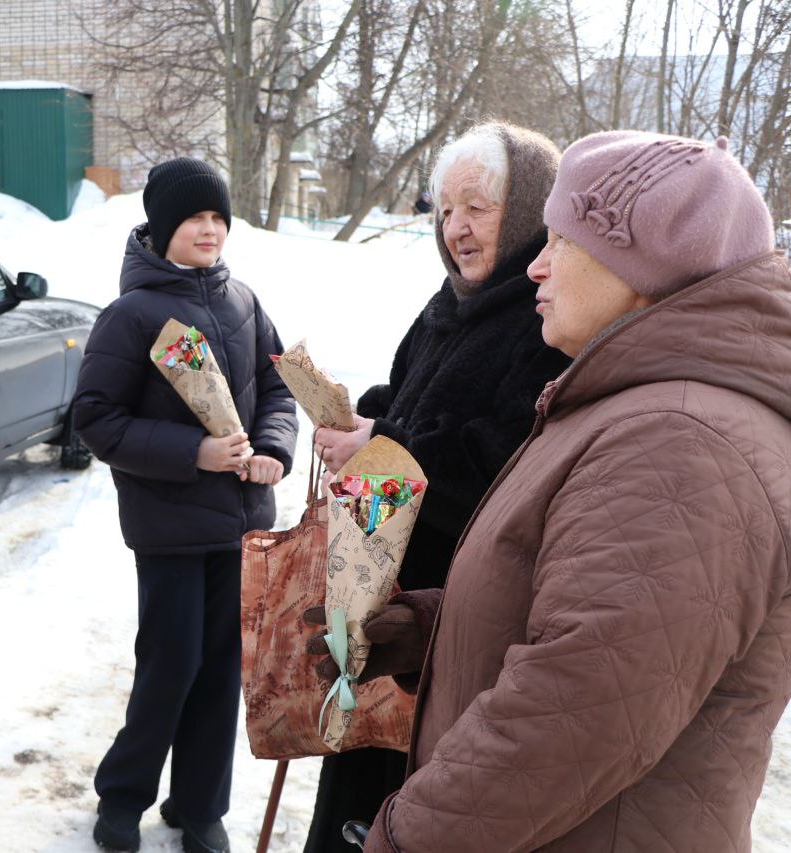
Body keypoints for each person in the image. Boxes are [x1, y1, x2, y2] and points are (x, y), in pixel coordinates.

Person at [355, 132, 791, 852]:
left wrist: (405, 838)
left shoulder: (680, 442)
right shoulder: (634, 402)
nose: (536, 264)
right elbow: (592, 630)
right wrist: (428, 630)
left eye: (561, 241)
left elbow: (573, 712)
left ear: (643, 264)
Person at [303, 124, 572, 851]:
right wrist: (362, 420)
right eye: (446, 210)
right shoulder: (446, 304)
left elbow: (504, 463)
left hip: (453, 624)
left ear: (529, 212)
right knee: (351, 792)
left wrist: (384, 444)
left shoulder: (546, 320)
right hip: (381, 594)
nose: (456, 228)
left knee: (406, 803)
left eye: (478, 208)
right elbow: (407, 397)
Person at [73, 157, 298, 853]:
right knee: (170, 667)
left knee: (220, 672)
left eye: (217, 218)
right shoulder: (131, 315)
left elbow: (279, 390)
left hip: (239, 525)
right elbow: (96, 419)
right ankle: (123, 795)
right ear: (164, 225)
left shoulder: (244, 302)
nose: (209, 230)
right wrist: (193, 452)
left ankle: (200, 805)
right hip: (169, 526)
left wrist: (273, 449)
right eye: (194, 218)